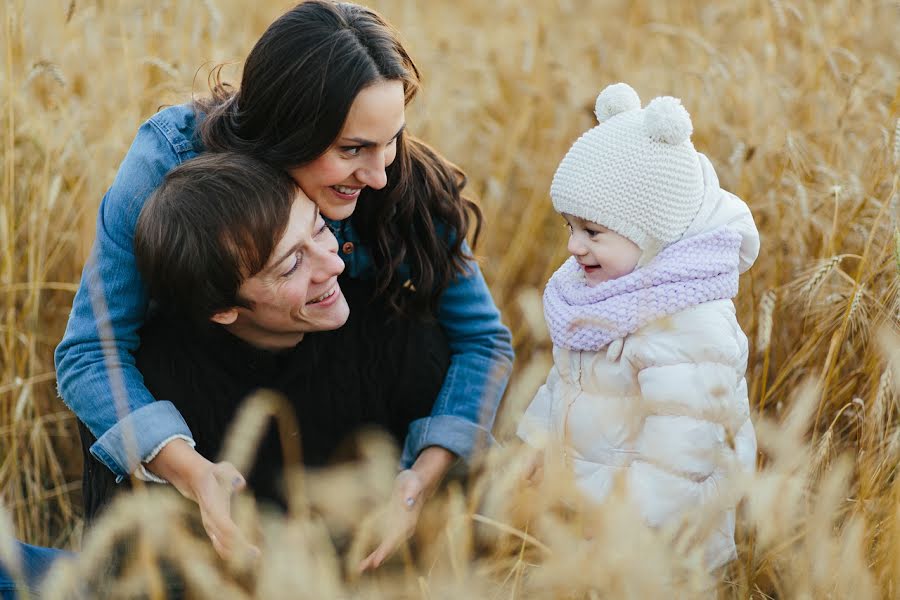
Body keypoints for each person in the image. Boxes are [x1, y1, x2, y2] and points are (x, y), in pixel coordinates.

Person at [54, 0, 513, 569]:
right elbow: (90, 353)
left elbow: (482, 341)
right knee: (136, 376)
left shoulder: (405, 185)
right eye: (351, 150)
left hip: (340, 405)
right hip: (211, 397)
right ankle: (140, 570)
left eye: (392, 137)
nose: (379, 175)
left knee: (424, 337)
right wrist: (194, 475)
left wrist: (420, 479)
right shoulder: (169, 159)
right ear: (286, 133)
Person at [516, 82, 759, 570]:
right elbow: (565, 376)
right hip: (589, 519)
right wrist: (536, 443)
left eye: (592, 232)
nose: (573, 247)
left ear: (652, 235)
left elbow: (682, 450)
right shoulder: (603, 289)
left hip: (660, 547)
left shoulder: (688, 322)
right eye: (569, 227)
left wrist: (623, 525)